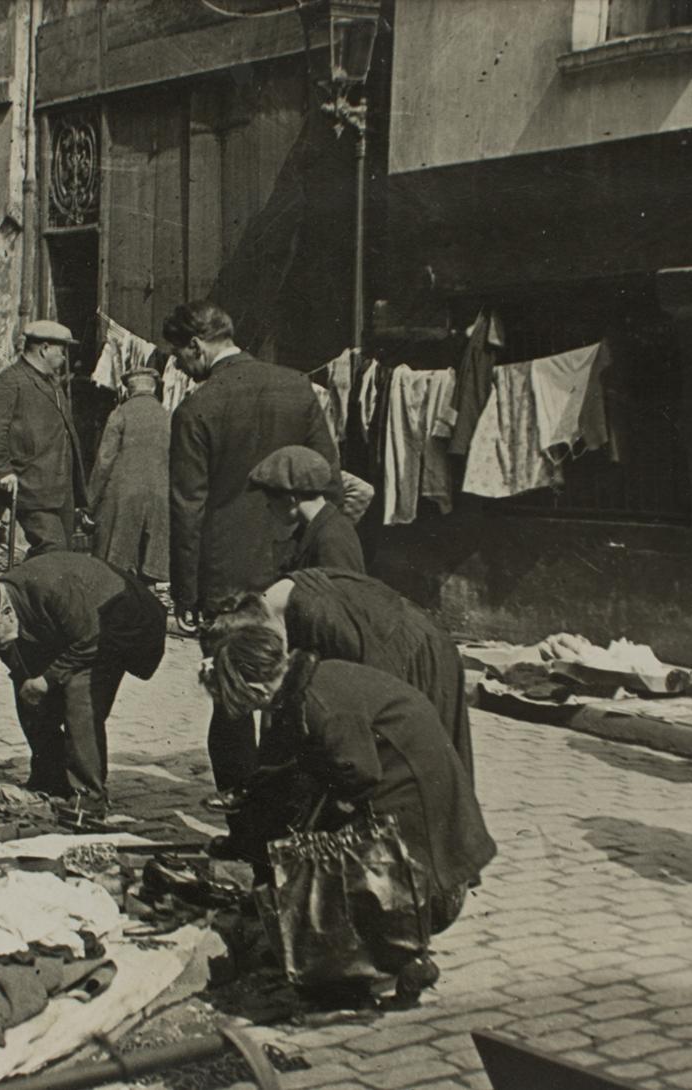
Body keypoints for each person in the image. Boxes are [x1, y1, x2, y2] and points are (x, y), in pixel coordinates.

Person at [199, 623, 496, 996]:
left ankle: (400, 953)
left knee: (331, 860)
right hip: (419, 784)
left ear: (258, 689)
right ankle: (389, 944)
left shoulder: (321, 704)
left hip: (417, 807)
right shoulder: (313, 680)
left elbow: (358, 774)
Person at [163, 300, 339, 789]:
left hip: (227, 575)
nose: (176, 363)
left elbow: (187, 507)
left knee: (234, 692)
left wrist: (184, 593)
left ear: (197, 346)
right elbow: (329, 477)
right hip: (297, 568)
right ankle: (286, 794)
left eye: (178, 353)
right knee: (292, 684)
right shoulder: (297, 386)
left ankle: (243, 806)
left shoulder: (196, 407)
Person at [208, 567, 473, 785]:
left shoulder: (316, 609)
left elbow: (375, 685)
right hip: (393, 649)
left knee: (424, 763)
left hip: (417, 655)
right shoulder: (273, 607)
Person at [0, 553, 166, 807]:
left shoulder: (51, 589)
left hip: (119, 623)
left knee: (79, 695)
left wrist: (47, 680)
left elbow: (90, 639)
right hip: (72, 632)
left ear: (7, 613)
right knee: (27, 691)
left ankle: (88, 798)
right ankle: (49, 782)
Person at [0, 320, 87, 557]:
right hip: (31, 484)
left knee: (63, 555)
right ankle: (20, 590)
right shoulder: (10, 382)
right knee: (52, 548)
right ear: (44, 348)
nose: (65, 357)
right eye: (62, 350)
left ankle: (31, 591)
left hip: (60, 487)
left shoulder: (52, 384)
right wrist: (1, 471)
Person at [88, 364, 170, 582]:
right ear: (154, 388)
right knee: (151, 566)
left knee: (117, 565)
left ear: (128, 390)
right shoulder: (168, 416)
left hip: (123, 498)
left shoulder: (120, 414)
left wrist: (91, 502)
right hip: (159, 498)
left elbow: (104, 462)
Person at [249, 445, 365, 575]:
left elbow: (341, 593)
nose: (269, 508)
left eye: (271, 502)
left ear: (291, 499)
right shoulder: (313, 529)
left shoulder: (330, 539)